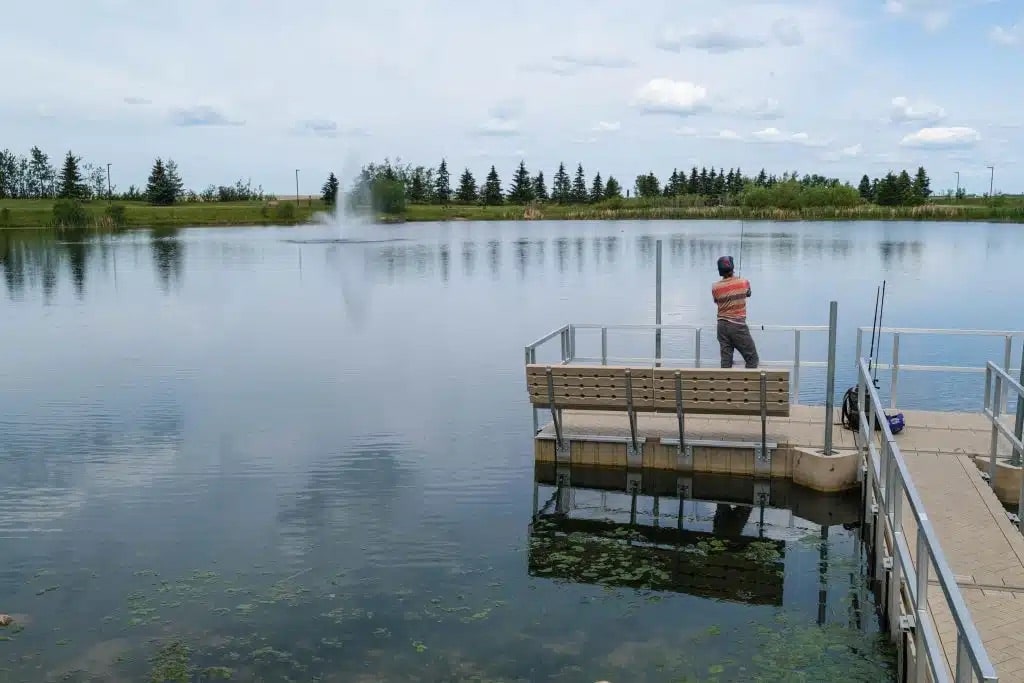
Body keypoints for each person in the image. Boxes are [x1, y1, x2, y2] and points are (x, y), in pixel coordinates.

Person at [711, 255, 759, 368]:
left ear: (720, 271)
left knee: (726, 361)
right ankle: (748, 385)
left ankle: (725, 385)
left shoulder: (715, 287)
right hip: (737, 326)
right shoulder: (743, 282)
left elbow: (716, 301)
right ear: (733, 268)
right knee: (752, 359)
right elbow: (749, 293)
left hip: (721, 326)